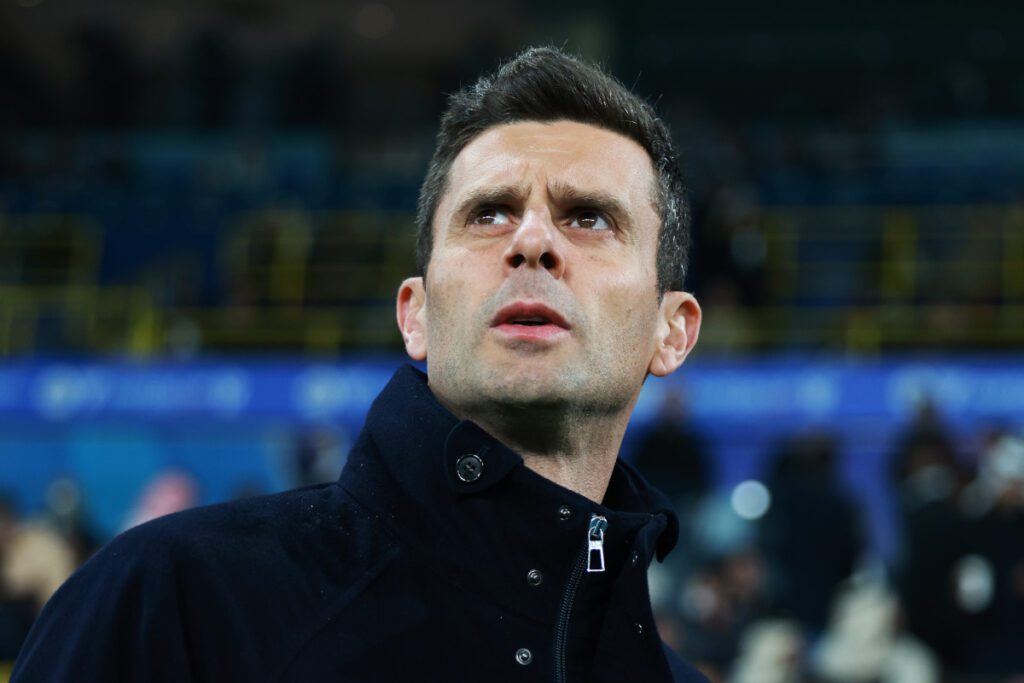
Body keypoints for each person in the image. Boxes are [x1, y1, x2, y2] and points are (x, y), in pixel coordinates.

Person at [12, 46, 706, 682]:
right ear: (417, 314)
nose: (531, 240)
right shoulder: (170, 600)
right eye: (489, 213)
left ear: (670, 331)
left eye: (588, 217)